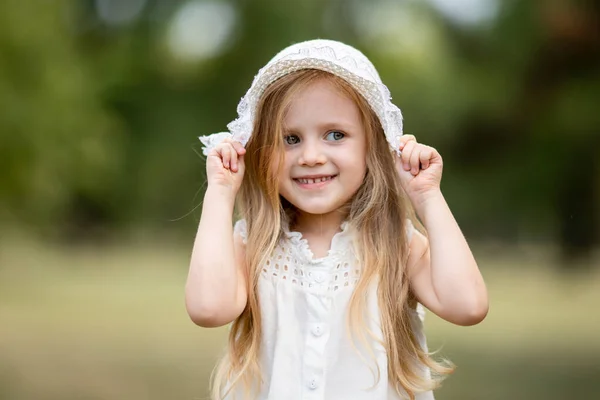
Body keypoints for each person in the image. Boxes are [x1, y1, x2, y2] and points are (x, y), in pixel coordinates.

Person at [186, 39, 488, 400]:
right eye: (290, 139)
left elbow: (468, 306)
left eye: (335, 135)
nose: (311, 155)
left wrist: (427, 197)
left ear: (371, 146)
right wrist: (220, 193)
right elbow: (207, 308)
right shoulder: (255, 245)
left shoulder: (394, 242)